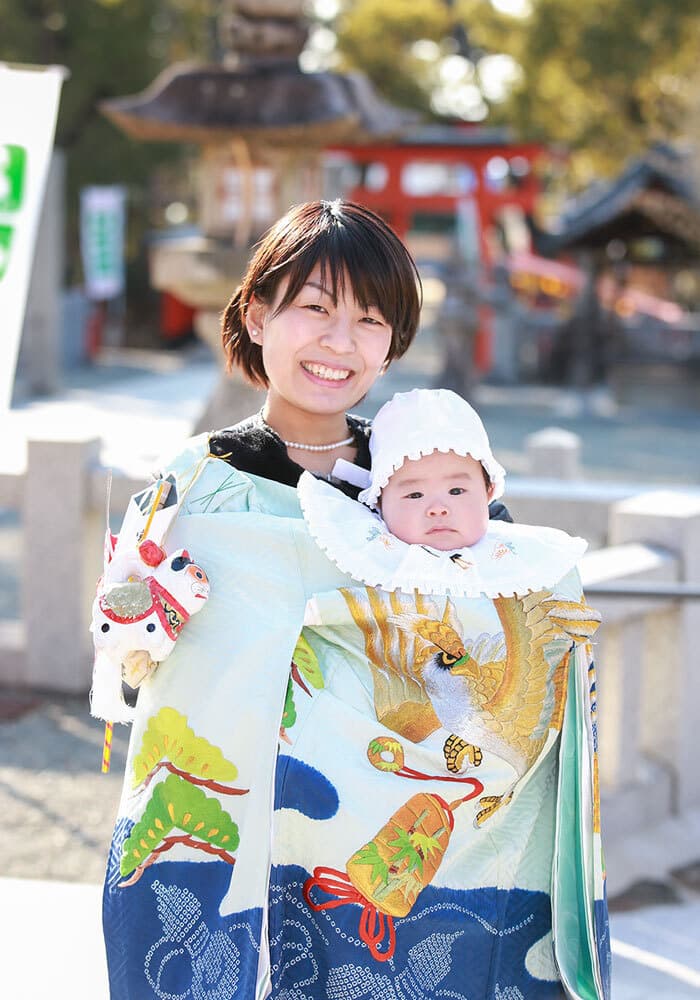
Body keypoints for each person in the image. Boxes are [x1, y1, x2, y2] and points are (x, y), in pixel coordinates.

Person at [97, 201, 607, 1000]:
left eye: (370, 320)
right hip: (237, 832)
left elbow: (501, 612)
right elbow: (139, 661)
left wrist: (551, 641)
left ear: (393, 343)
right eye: (314, 308)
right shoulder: (198, 486)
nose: (341, 342)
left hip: (396, 860)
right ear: (258, 313)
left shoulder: (425, 474)